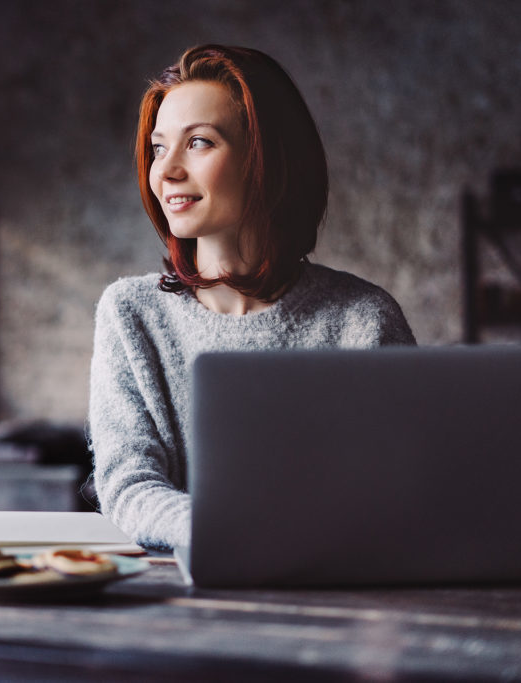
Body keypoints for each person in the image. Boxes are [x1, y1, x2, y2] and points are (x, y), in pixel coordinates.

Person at [88, 45, 415, 550]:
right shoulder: (131, 313)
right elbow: (128, 486)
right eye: (158, 147)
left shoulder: (363, 320)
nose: (166, 170)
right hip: (176, 608)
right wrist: (234, 535)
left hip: (333, 603)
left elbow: (396, 494)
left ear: (268, 160)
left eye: (199, 142)